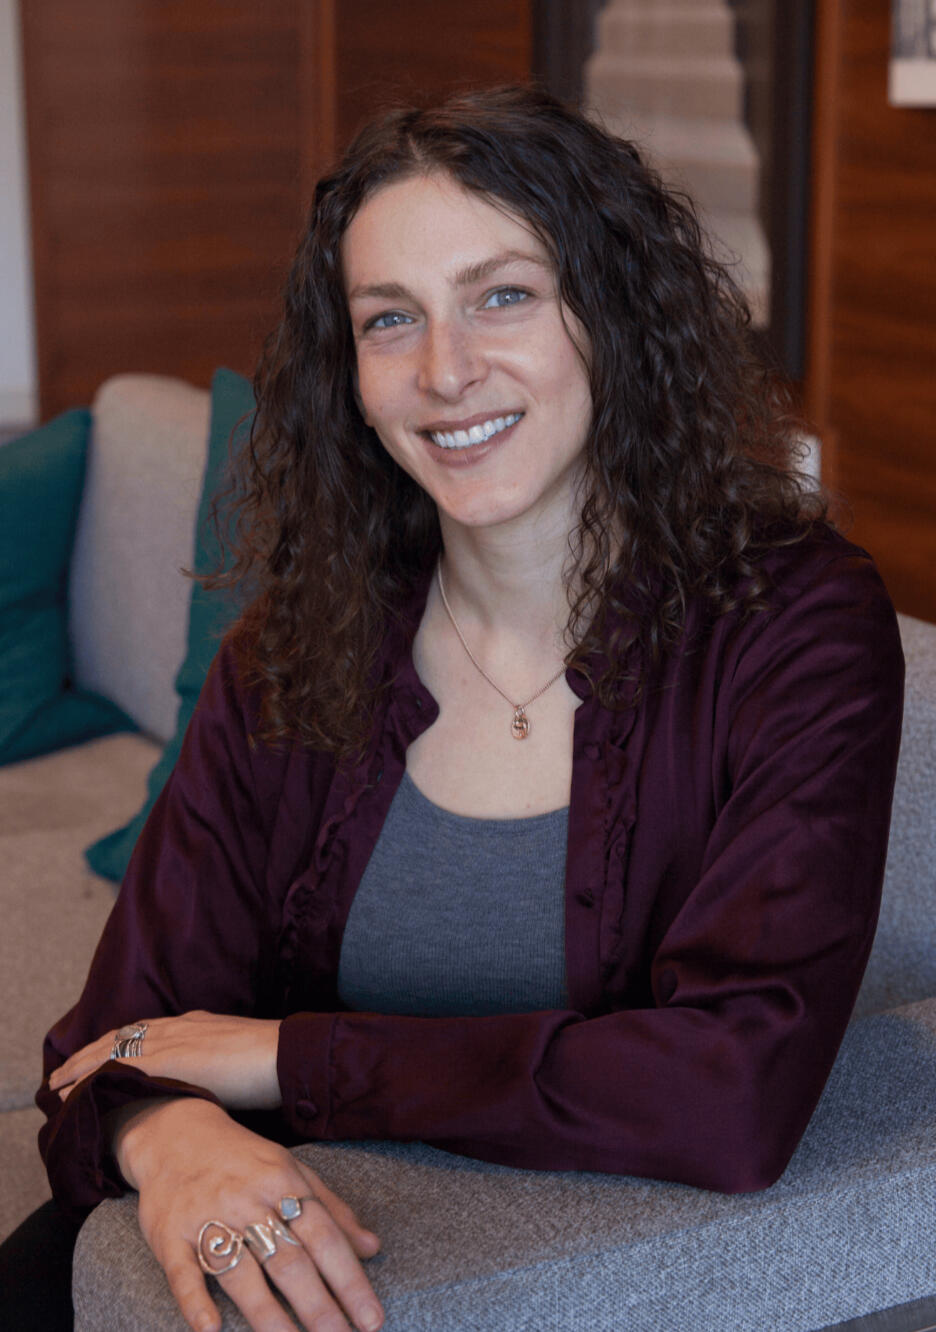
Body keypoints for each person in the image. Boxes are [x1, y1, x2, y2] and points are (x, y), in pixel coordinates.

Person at [3, 85, 903, 1332]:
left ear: (612, 311)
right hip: (270, 1237)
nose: (444, 370)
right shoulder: (301, 641)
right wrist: (167, 1137)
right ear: (351, 375)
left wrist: (282, 1059)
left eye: (502, 295)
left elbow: (732, 1091)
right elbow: (118, 1042)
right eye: (391, 319)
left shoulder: (797, 626)